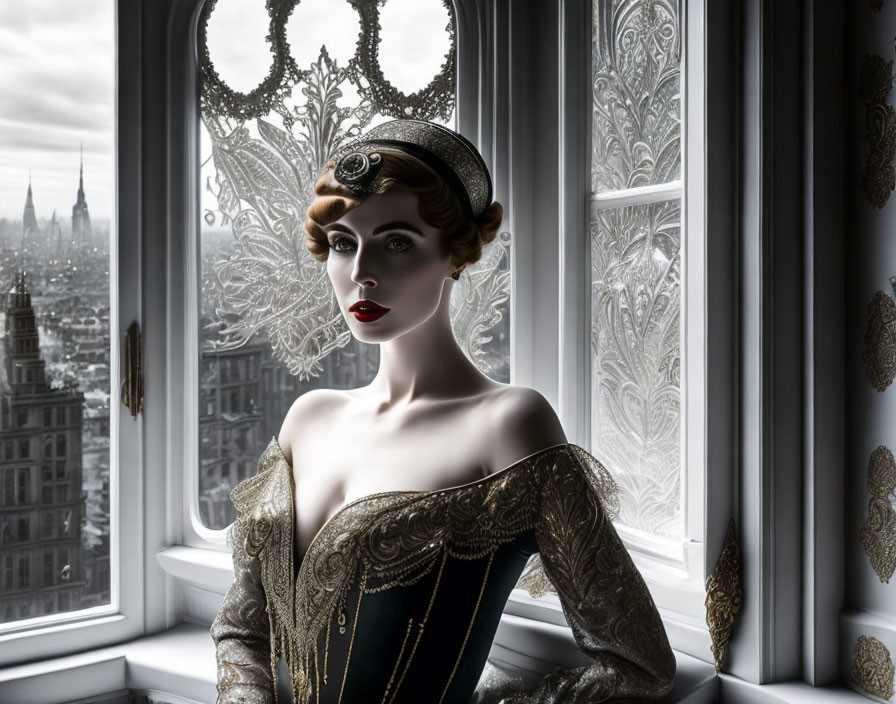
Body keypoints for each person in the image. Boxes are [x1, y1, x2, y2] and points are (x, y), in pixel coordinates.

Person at [210, 119, 676, 704]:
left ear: (455, 254)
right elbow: (241, 628)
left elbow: (639, 666)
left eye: (397, 241)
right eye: (343, 243)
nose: (361, 273)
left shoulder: (508, 425)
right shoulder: (308, 419)